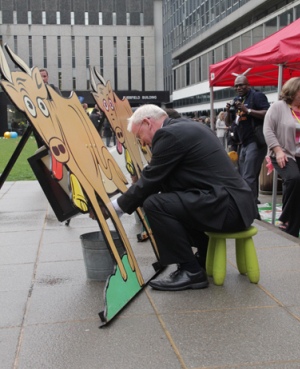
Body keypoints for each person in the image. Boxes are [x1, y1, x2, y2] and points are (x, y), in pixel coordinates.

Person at [110, 104, 258, 291]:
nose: (144, 143)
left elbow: (152, 179)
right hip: (235, 204)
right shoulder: (186, 127)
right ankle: (202, 259)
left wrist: (116, 207)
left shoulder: (168, 135)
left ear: (148, 123)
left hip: (228, 207)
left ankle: (191, 271)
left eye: (140, 137)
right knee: (173, 201)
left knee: (155, 204)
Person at [263, 77, 300, 238]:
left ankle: (291, 229)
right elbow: (268, 130)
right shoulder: (279, 107)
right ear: (293, 91)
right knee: (293, 178)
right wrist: (278, 151)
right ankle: (285, 218)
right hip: (283, 153)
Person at [225, 75, 270, 204]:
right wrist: (228, 111)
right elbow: (230, 123)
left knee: (248, 176)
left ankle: (247, 206)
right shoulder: (236, 99)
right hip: (243, 143)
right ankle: (253, 201)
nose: (239, 87)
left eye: (241, 85)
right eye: (236, 86)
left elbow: (267, 113)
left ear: (248, 85)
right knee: (245, 175)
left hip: (255, 141)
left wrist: (248, 110)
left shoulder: (257, 96)